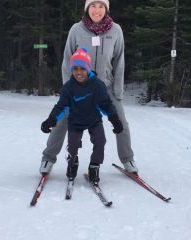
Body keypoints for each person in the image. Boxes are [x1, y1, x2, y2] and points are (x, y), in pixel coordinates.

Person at [40, 0, 138, 175]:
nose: (97, 10)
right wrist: (68, 90)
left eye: (101, 6)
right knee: (62, 120)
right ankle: (48, 158)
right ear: (87, 8)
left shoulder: (116, 30)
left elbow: (119, 62)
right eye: (93, 5)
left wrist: (118, 91)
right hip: (78, 86)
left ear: (106, 9)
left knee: (121, 121)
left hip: (105, 87)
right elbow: (66, 60)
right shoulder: (76, 30)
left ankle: (127, 158)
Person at [41, 48, 123, 184]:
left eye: (82, 69)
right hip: (75, 121)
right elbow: (61, 106)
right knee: (72, 147)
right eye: (75, 69)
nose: (79, 72)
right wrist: (51, 120)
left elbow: (106, 104)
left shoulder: (97, 85)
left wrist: (115, 120)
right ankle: (72, 163)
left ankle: (94, 166)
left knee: (100, 141)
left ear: (88, 69)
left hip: (94, 120)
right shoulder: (69, 87)